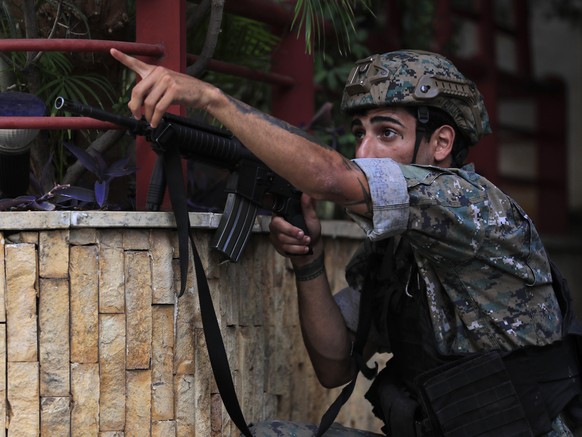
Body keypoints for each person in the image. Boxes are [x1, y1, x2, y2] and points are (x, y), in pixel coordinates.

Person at [110, 48, 582, 436]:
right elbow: (334, 363)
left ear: (440, 145)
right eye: (361, 134)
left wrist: (211, 99)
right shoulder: (397, 247)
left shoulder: (469, 202)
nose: (365, 151)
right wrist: (309, 263)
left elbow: (331, 178)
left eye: (387, 133)